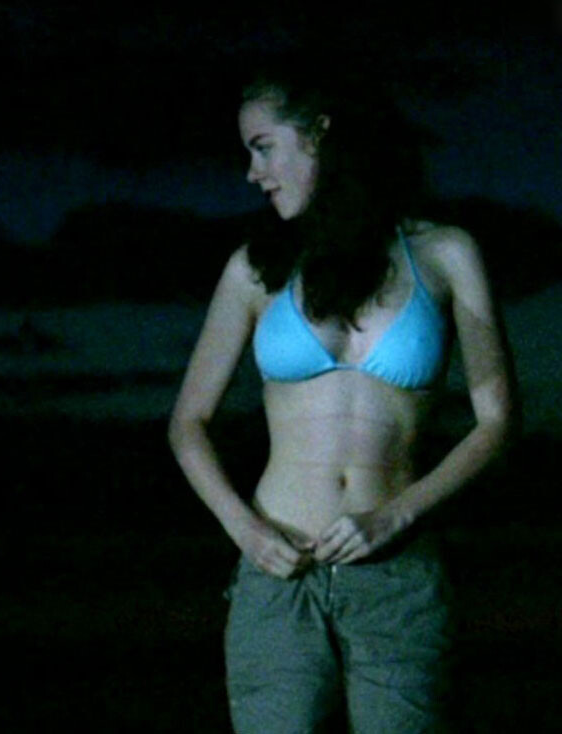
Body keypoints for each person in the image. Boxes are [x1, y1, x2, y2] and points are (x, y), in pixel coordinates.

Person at [168, 61, 519, 733]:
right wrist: (245, 531)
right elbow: (188, 423)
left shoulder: (446, 253)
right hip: (278, 569)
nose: (252, 172)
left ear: (319, 134)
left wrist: (395, 516)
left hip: (397, 575)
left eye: (263, 147)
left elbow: (497, 422)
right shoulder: (254, 268)